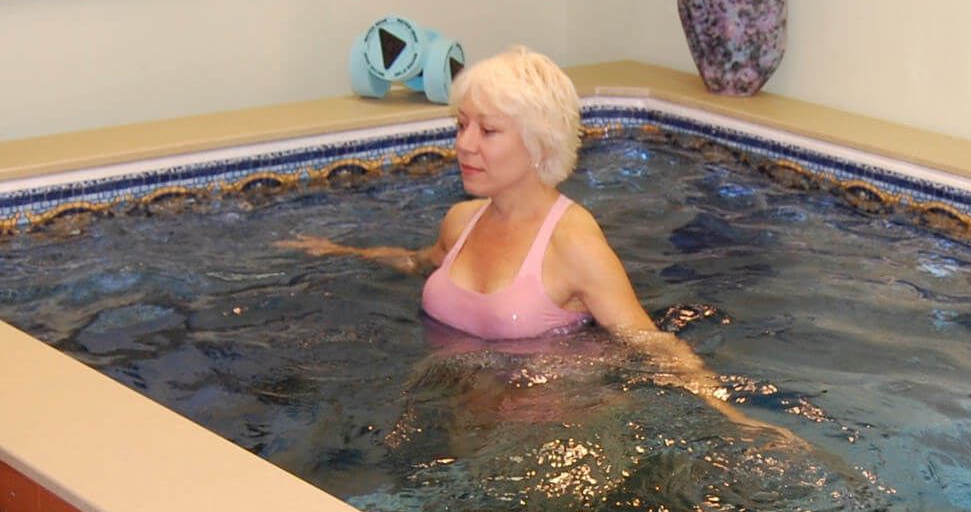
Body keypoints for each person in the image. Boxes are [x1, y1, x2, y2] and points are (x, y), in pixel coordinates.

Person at [279, 46, 784, 433]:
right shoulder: (461, 221)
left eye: (489, 131)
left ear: (540, 142)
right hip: (457, 420)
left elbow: (651, 344)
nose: (464, 144)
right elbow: (418, 261)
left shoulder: (573, 244)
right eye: (461, 125)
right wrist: (342, 254)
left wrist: (731, 419)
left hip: (543, 438)